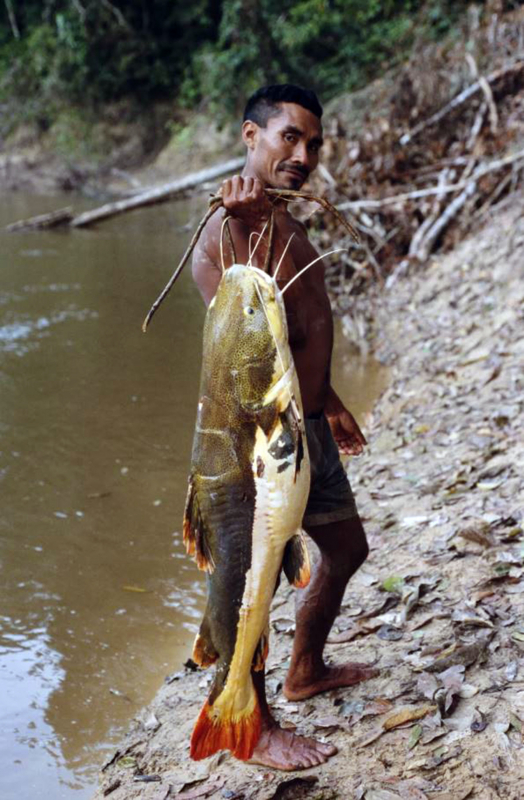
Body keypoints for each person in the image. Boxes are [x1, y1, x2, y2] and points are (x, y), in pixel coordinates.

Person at [191, 84, 378, 771]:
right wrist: (242, 223)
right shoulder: (229, 223)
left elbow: (303, 330)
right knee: (249, 583)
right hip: (257, 440)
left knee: (348, 549)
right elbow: (249, 335)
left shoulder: (286, 218)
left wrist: (329, 397)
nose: (303, 155)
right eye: (288, 138)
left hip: (308, 423)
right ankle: (248, 721)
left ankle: (305, 669)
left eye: (313, 143)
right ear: (250, 136)